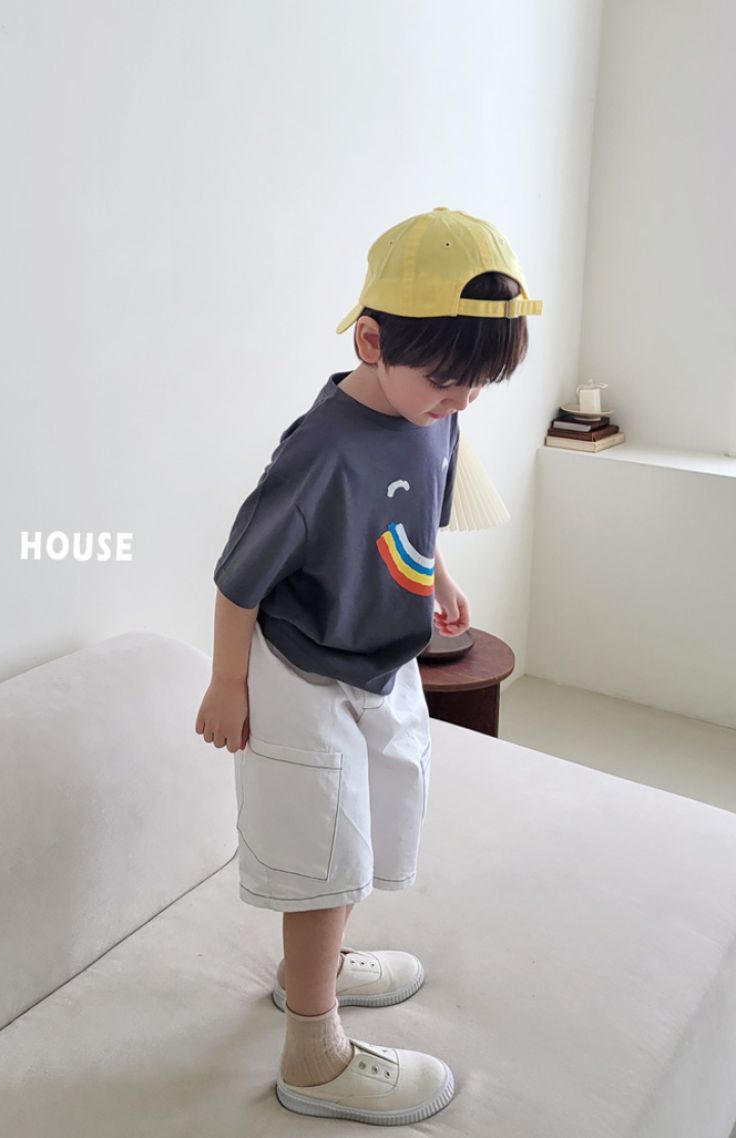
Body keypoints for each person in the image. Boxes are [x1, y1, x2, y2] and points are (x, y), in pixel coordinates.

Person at [194, 207, 542, 1126]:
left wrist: (436, 578)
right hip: (300, 672)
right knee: (324, 854)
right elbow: (238, 578)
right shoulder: (321, 448)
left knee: (376, 825)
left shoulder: (435, 414)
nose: (462, 402)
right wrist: (227, 682)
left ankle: (315, 970)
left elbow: (413, 513)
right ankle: (313, 1055)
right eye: (449, 382)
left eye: (480, 385)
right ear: (372, 340)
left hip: (381, 663)